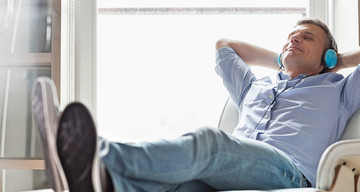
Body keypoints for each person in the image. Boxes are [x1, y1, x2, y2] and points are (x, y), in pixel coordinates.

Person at [32, 17, 360, 192]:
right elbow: (224, 46)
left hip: (290, 172)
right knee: (175, 185)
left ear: (327, 57)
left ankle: (93, 153)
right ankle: (100, 184)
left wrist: (340, 61)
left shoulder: (338, 89)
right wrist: (282, 57)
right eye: (291, 35)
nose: (295, 39)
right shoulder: (255, 87)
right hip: (236, 168)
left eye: (307, 37)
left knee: (209, 143)